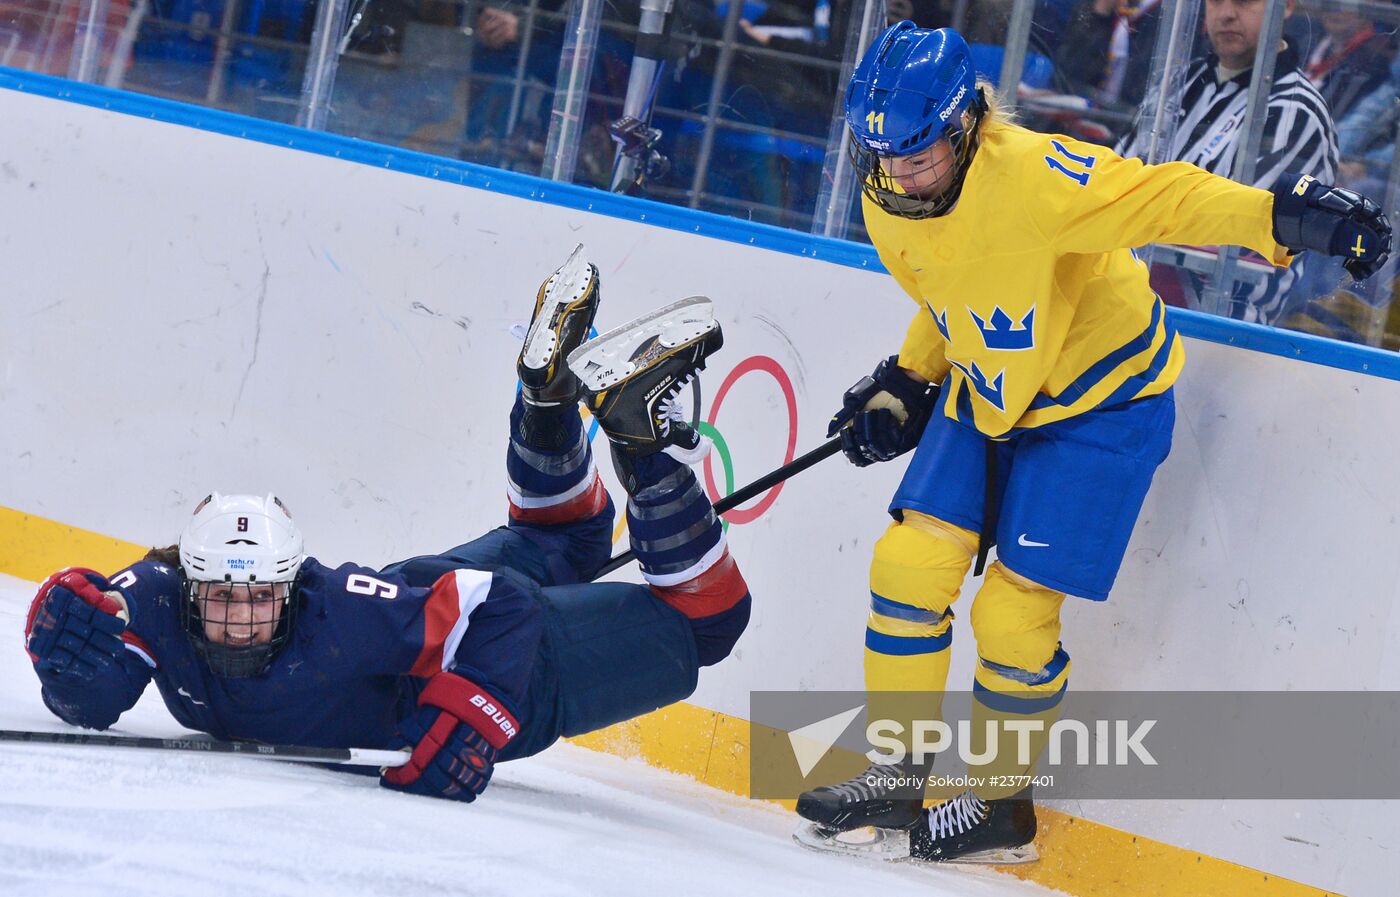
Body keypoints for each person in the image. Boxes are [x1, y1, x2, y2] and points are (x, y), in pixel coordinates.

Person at [793, 21, 1389, 865]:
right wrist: (909, 374)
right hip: (989, 388)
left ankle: (1000, 805)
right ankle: (897, 772)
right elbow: (948, 290)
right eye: (886, 156)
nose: (903, 174)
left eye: (921, 154)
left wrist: (1280, 215)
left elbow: (1164, 194)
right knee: (908, 565)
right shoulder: (886, 193)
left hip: (1099, 404)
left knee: (1012, 611)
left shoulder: (1036, 176)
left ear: (966, 126)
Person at [22, 246, 748, 804]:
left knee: (710, 624)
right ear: (188, 588)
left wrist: (473, 714)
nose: (241, 618)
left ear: (292, 587)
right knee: (569, 539)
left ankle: (638, 441)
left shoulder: (334, 615)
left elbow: (505, 611)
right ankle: (546, 395)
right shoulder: (153, 598)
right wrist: (62, 652)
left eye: (259, 599)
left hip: (509, 662)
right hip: (423, 610)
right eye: (223, 599)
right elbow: (95, 698)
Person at [1114, 0, 1339, 323]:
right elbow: (1112, 186)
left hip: (1222, 329)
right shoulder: (1178, 82)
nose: (1227, 13)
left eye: (1244, 1)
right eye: (1216, 0)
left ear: (1286, 6)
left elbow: (1232, 235)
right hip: (1129, 302)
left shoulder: (1297, 113)